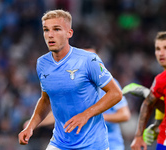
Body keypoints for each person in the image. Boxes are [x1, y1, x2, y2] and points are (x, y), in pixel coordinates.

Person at [18, 9, 122, 150]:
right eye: (46, 30)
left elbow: (116, 94)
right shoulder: (42, 64)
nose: (50, 35)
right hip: (60, 143)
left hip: (92, 144)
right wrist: (30, 126)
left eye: (56, 29)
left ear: (69, 33)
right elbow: (46, 99)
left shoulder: (88, 60)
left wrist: (85, 115)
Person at [23, 47, 131, 150]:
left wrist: (93, 114)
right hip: (79, 142)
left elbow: (125, 115)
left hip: (110, 143)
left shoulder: (110, 85)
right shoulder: (76, 88)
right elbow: (59, 113)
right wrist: (34, 124)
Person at [130, 31, 166, 150]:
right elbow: (148, 103)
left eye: (165, 48)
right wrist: (139, 135)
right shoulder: (160, 80)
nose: (161, 53)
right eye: (157, 49)